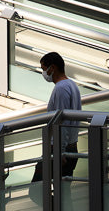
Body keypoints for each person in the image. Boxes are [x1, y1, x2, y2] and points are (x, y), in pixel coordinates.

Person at [32, 51, 82, 181]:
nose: (44, 73)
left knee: (36, 190)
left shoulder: (61, 89)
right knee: (64, 193)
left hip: (59, 150)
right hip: (71, 147)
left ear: (52, 68)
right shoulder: (72, 85)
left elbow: (61, 122)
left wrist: (60, 152)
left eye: (44, 69)